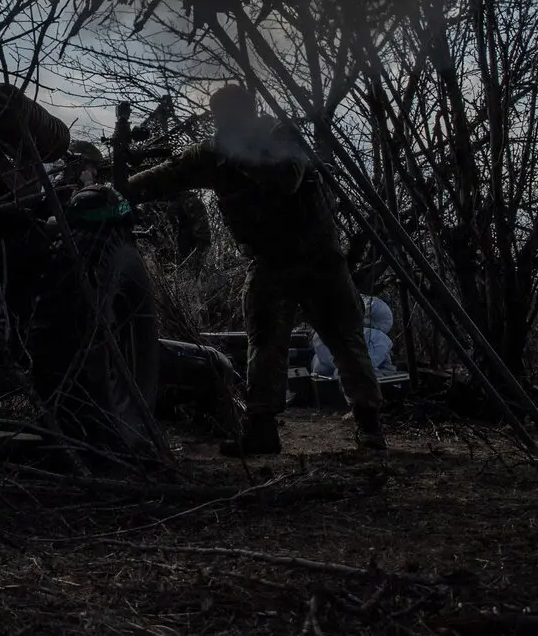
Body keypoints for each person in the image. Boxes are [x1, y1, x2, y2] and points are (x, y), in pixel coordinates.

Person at [124, 85, 385, 454]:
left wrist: (241, 154)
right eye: (220, 116)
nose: (225, 122)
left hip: (318, 258)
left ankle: (369, 425)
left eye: (232, 115)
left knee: (345, 339)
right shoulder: (214, 152)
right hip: (270, 260)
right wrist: (117, 189)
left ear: (252, 111)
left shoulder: (281, 133)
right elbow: (169, 174)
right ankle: (262, 428)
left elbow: (288, 178)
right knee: (264, 342)